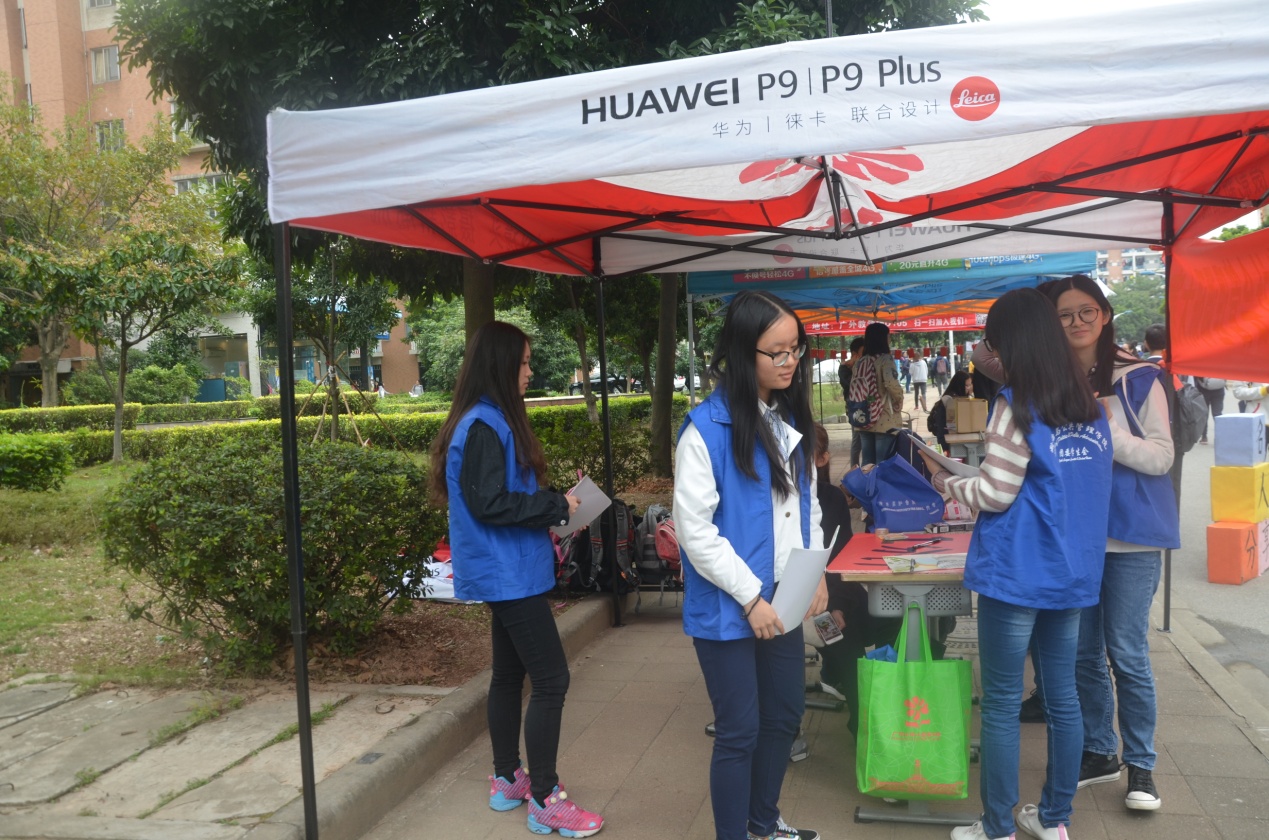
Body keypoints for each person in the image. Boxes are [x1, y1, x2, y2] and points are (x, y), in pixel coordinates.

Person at [918, 288, 1114, 840]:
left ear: (1011, 344)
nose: (989, 352)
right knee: (1063, 697)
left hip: (1017, 572)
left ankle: (997, 826)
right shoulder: (1089, 406)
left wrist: (946, 482)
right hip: (1072, 572)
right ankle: (1054, 820)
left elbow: (995, 492)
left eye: (994, 342)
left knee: (1002, 703)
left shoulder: (1015, 405)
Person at [428, 321, 603, 838]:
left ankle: (507, 779)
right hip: (506, 573)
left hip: (508, 569)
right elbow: (491, 503)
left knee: (508, 676)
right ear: (501, 365)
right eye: (524, 362)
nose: (529, 371)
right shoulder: (484, 424)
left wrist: (558, 506)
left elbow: (499, 495)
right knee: (552, 679)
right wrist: (555, 506)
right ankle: (546, 798)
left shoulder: (489, 419)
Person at [674, 290, 826, 840]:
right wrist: (750, 596)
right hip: (730, 606)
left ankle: (764, 822)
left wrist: (814, 571)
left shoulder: (786, 417)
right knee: (739, 730)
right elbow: (695, 530)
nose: (790, 362)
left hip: (780, 599)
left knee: (784, 715)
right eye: (776, 352)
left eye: (796, 349)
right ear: (743, 352)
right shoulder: (705, 430)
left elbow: (806, 504)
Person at [1040, 274, 1178, 813]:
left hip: (1132, 536)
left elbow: (1161, 457)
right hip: (1075, 536)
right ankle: (1099, 751)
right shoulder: (1050, 380)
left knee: (1126, 652)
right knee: (1081, 653)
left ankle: (1141, 764)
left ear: (1104, 315)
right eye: (1063, 314)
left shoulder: (1139, 378)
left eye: (1086, 311)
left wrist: (1105, 430)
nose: (1076, 322)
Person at [810, 423, 902, 739]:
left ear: (822, 459)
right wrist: (832, 607)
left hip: (839, 596)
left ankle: (894, 697)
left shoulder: (830, 498)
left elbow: (840, 558)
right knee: (843, 642)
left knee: (900, 615)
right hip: (802, 606)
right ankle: (865, 728)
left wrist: (838, 603)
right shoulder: (775, 500)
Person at [853, 323, 905, 466]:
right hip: (884, 417)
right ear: (882, 338)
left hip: (863, 416)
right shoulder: (885, 360)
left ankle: (866, 481)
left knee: (867, 462)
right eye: (888, 336)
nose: (889, 339)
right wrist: (899, 398)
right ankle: (879, 482)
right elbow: (891, 383)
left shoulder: (860, 361)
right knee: (883, 463)